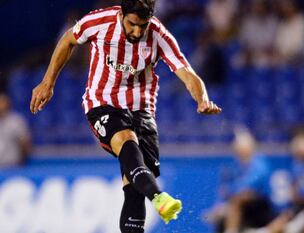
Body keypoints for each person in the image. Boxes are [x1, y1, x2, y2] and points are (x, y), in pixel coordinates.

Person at [29, 1, 222, 232]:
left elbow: (188, 74)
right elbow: (68, 40)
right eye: (132, 24)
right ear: (121, 14)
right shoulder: (100, 21)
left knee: (134, 189)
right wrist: (48, 82)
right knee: (126, 140)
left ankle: (148, 200)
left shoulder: (159, 35)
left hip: (142, 109)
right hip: (103, 102)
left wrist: (202, 99)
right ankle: (159, 197)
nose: (137, 32)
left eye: (143, 25)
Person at [0, 93, 31, 168]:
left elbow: (25, 143)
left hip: (13, 166)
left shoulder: (16, 121)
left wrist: (22, 161)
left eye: (2, 102)